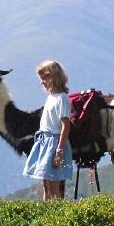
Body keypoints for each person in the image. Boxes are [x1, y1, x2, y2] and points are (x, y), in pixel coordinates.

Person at [23, 60, 73, 200]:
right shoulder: (51, 97)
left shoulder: (62, 99)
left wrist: (59, 151)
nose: (41, 81)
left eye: (44, 77)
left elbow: (65, 126)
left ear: (54, 77)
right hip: (45, 141)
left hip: (54, 143)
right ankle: (48, 212)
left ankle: (57, 214)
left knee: (53, 184)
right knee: (46, 183)